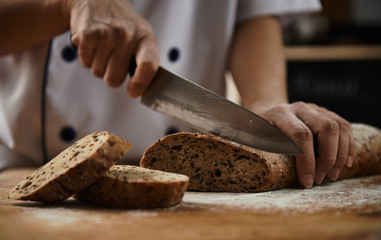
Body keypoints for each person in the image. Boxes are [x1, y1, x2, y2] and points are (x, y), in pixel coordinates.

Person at [0, 0, 356, 188]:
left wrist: (263, 101)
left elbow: (255, 10)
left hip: (189, 184)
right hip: (24, 169)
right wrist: (65, 4)